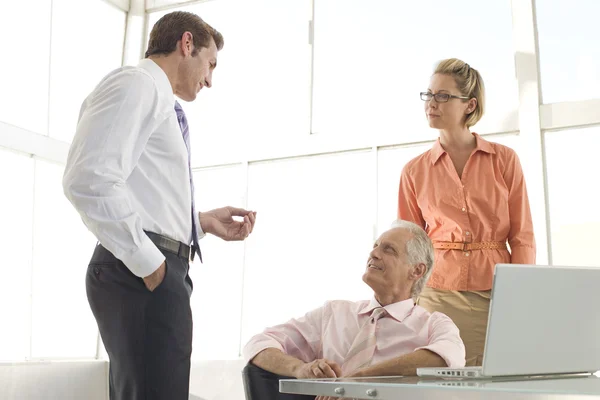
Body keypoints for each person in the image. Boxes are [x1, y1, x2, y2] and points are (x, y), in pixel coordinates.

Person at [62, 11, 256, 400]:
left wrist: (198, 222)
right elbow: (87, 178)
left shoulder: (156, 99)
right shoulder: (137, 85)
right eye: (210, 63)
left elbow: (142, 190)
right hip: (142, 273)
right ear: (187, 44)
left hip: (153, 269)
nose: (210, 80)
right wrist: (151, 265)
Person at [398, 58, 535, 367]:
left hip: (496, 293)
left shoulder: (504, 160)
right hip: (435, 294)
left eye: (443, 96)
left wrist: (520, 294)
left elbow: (522, 236)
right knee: (440, 383)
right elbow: (408, 246)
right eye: (429, 95)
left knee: (494, 378)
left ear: (469, 105)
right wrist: (405, 302)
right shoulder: (413, 171)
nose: (431, 104)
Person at [242, 220, 465, 400]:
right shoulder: (334, 313)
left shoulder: (434, 324)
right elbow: (258, 344)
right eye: (375, 246)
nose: (374, 253)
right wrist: (301, 369)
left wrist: (358, 380)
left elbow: (450, 357)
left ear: (416, 270)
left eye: (388, 249)